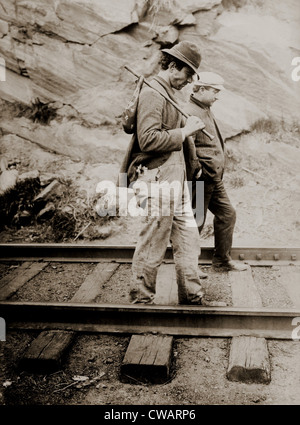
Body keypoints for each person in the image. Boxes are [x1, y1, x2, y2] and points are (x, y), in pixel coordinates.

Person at [121, 41, 212, 305]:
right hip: (157, 178)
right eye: (187, 75)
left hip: (176, 177)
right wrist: (185, 131)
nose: (188, 82)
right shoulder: (153, 92)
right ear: (173, 67)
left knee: (189, 237)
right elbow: (148, 140)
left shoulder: (168, 92)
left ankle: (192, 297)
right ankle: (141, 300)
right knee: (153, 241)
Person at [185, 72, 248, 271]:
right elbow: (187, 148)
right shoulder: (190, 111)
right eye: (215, 91)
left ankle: (221, 261)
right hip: (202, 179)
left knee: (227, 214)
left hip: (213, 178)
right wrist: (199, 171)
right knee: (196, 223)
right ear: (201, 89)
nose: (217, 96)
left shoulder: (204, 108)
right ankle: (189, 270)